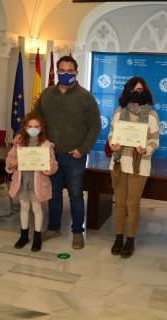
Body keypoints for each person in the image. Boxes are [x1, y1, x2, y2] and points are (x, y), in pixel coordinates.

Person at [35, 55, 101, 249]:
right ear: (57, 72)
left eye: (69, 71)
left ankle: (78, 232)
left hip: (75, 157)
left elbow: (95, 125)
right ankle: (54, 228)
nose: (65, 74)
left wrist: (83, 150)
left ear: (76, 72)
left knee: (75, 195)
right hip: (51, 155)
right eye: (62, 70)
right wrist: (26, 138)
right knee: (53, 194)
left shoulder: (85, 97)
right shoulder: (46, 94)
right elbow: (35, 120)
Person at [108, 77, 160, 258]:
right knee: (120, 203)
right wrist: (112, 144)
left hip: (140, 165)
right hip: (119, 163)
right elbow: (112, 134)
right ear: (127, 91)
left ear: (145, 92)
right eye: (133, 89)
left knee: (132, 204)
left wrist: (146, 149)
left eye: (140, 90)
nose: (137, 93)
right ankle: (118, 237)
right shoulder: (119, 112)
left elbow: (155, 141)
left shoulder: (152, 116)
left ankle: (130, 240)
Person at [6, 112, 58, 252]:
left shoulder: (46, 145)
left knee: (37, 209)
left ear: (41, 128)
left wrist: (47, 167)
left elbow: (54, 165)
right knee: (24, 208)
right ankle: (24, 236)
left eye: (36, 126)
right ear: (25, 127)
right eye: (30, 126)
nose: (33, 129)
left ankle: (37, 237)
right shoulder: (19, 142)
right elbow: (9, 160)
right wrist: (14, 162)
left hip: (37, 184)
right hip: (22, 182)